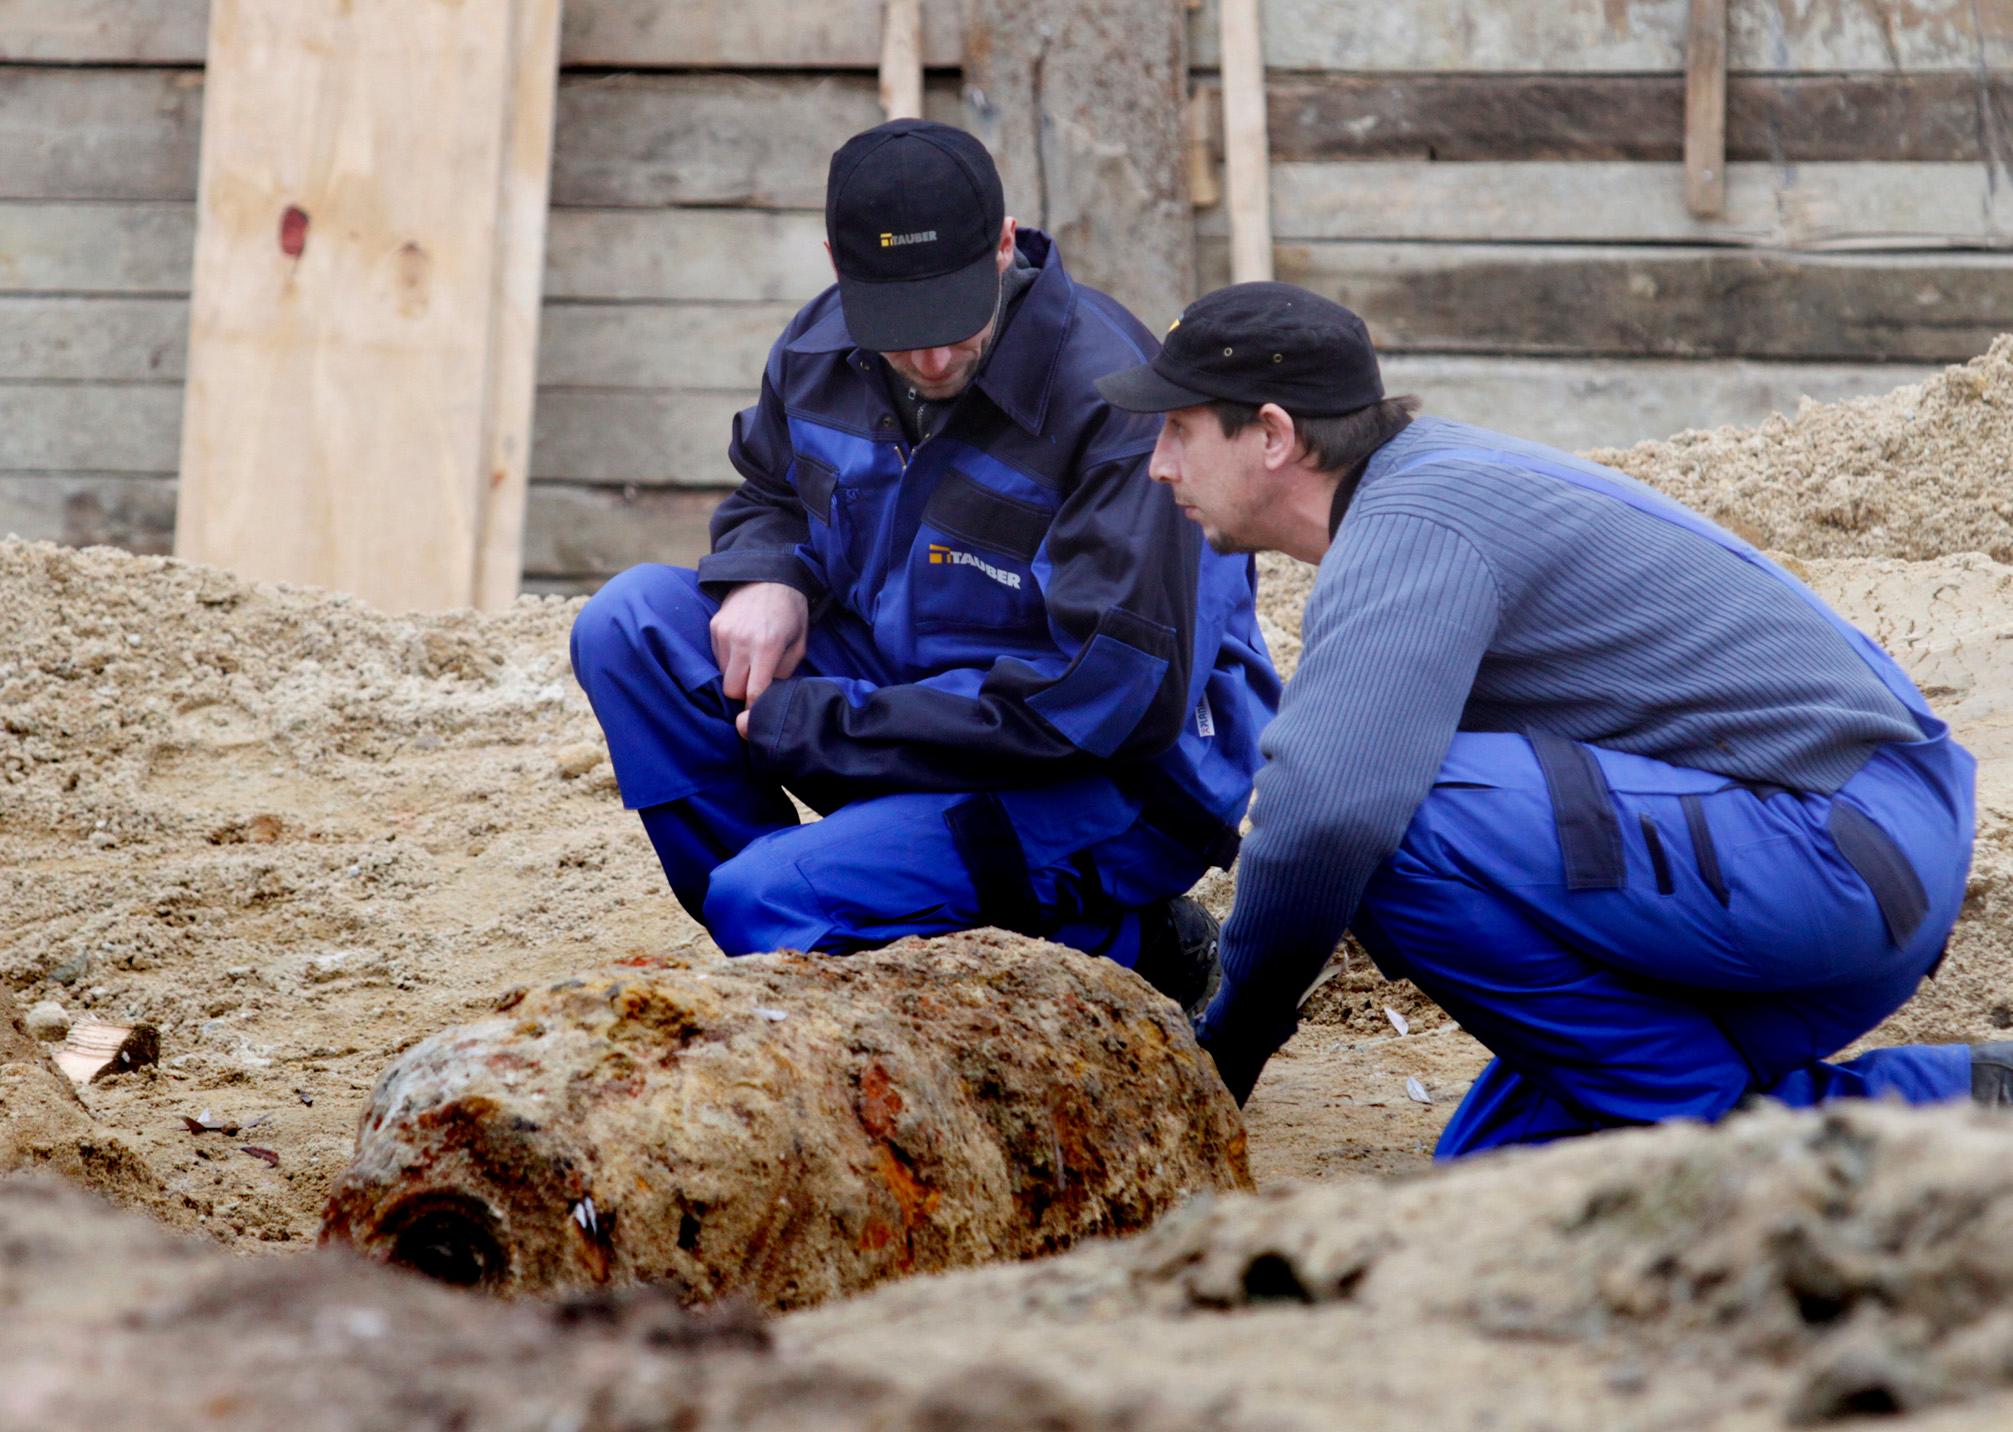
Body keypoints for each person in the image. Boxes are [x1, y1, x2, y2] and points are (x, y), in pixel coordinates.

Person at [1095, 280, 2005, 1156]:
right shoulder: (1423, 487)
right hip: (1838, 853)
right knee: (1497, 1179)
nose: (1157, 463)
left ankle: (1699, 1143)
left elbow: (1319, 819)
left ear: (1272, 435)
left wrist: (1232, 1046)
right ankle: (1958, 1104)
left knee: (1388, 824)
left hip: (1837, 852)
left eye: (1178, 429)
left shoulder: (1415, 523)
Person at [569, 121, 1279, 1015]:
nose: (932, 359)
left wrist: (830, 723)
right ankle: (815, 934)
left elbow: (1109, 700)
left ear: (1004, 244)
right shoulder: (819, 346)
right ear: (837, 264)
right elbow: (769, 491)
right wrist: (767, 575)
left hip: (1104, 771)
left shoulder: (1114, 405)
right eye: (900, 327)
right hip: (915, 701)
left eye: (953, 318)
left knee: (770, 898)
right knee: (628, 625)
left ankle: (1130, 947)